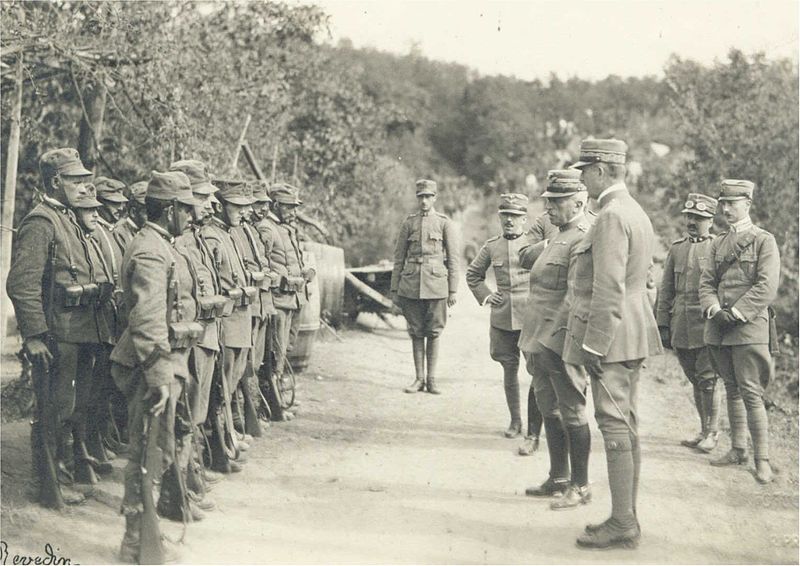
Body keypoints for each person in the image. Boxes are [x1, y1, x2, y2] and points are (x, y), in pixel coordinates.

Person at [565, 138, 661, 549]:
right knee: (626, 422)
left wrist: (593, 345)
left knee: (614, 423)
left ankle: (623, 522)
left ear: (601, 170)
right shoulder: (633, 211)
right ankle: (626, 516)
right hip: (632, 331)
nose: (582, 177)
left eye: (584, 170)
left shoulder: (610, 216)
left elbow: (608, 286)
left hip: (612, 336)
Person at [7, 148, 109, 507]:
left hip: (81, 331)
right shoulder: (41, 222)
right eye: (76, 181)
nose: (86, 187)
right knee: (55, 409)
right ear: (55, 182)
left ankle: (61, 476)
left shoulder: (68, 219)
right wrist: (34, 335)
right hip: (57, 334)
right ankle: (48, 486)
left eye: (86, 180)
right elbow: (21, 283)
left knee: (73, 407)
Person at [111, 170, 204, 563]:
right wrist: (160, 376)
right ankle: (135, 540)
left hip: (165, 362)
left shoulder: (161, 244)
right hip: (151, 366)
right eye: (186, 209)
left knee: (159, 450)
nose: (192, 217)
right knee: (147, 452)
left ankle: (143, 536)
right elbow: (147, 320)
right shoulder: (151, 249)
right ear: (169, 210)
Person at [518, 170, 594, 510]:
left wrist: (554, 340)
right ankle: (559, 477)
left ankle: (580, 486)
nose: (548, 207)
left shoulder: (584, 237)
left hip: (560, 341)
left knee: (573, 412)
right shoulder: (560, 235)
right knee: (549, 407)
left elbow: (577, 295)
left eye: (556, 202)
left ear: (578, 202)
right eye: (547, 201)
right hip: (538, 339)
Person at [698, 179, 780, 484]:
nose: (725, 209)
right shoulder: (718, 242)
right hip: (719, 327)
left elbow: (766, 286)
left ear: (747, 203)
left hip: (748, 329)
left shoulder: (763, 241)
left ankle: (763, 460)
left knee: (751, 393)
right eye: (722, 203)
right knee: (730, 387)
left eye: (732, 203)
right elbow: (706, 283)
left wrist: (736, 311)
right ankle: (737, 449)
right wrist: (715, 310)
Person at [657, 193, 722, 453]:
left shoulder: (718, 248)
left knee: (708, 379)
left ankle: (713, 432)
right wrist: (663, 324)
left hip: (707, 325)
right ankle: (703, 429)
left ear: (710, 220)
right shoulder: (677, 248)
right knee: (695, 380)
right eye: (690, 217)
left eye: (699, 218)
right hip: (681, 326)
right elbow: (666, 290)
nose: (692, 222)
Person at [466, 193, 531, 438]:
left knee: (539, 372)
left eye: (515, 216)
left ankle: (537, 426)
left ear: (524, 219)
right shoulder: (492, 246)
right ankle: (515, 422)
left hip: (531, 317)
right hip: (503, 318)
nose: (510, 221)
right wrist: (487, 295)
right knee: (509, 369)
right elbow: (473, 275)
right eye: (505, 216)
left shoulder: (535, 243)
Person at [201, 178, 256, 469]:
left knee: (230, 385)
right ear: (221, 206)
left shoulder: (230, 234)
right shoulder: (212, 236)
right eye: (237, 207)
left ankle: (226, 442)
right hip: (226, 321)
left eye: (245, 207)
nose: (243, 212)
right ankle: (218, 449)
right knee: (220, 390)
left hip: (241, 320)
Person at [390, 179, 459, 395]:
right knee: (416, 332)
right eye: (421, 197)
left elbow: (454, 259)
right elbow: (398, 257)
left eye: (428, 196)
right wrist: (394, 289)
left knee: (434, 332)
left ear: (435, 198)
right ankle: (418, 379)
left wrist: (453, 289)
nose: (424, 201)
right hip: (411, 284)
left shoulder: (444, 223)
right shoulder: (408, 223)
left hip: (437, 284)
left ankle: (432, 379)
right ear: (417, 198)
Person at [259, 182, 314, 413]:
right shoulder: (267, 228)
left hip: (294, 299)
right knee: (275, 353)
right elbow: (261, 263)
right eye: (289, 206)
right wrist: (282, 278)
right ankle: (273, 405)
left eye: (294, 206)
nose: (293, 211)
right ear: (276, 205)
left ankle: (279, 394)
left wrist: (305, 273)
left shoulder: (287, 228)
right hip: (279, 300)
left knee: (285, 350)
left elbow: (291, 261)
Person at [113, 181, 148, 253]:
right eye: (147, 213)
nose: (151, 217)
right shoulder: (119, 233)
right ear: (133, 212)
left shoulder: (143, 231)